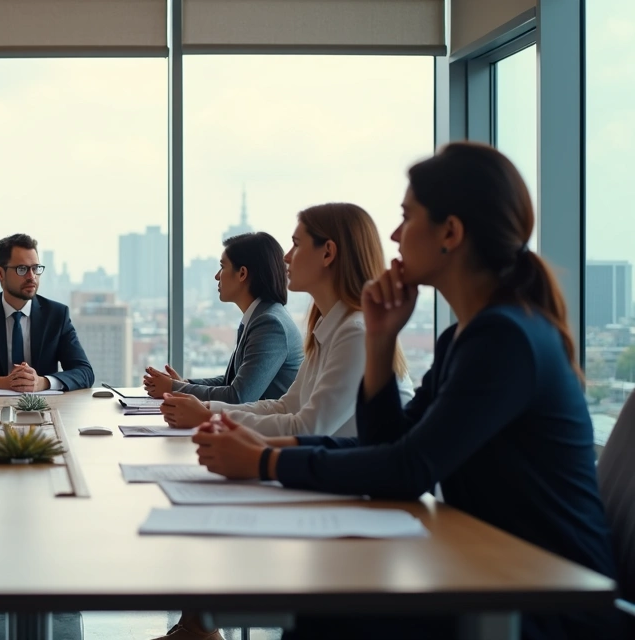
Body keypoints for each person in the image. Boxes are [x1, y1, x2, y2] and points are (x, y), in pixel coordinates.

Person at [189, 143, 621, 640]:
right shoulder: (468, 335)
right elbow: (389, 444)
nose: (394, 235)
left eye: (407, 217)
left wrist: (266, 462)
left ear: (450, 233)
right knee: (324, 604)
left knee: (326, 611)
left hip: (546, 601)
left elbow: (408, 468)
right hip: (494, 571)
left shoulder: (505, 338)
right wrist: (381, 341)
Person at [159, 204, 414, 436]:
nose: (286, 257)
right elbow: (286, 407)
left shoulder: (355, 333)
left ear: (327, 254)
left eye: (296, 244)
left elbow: (306, 428)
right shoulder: (328, 329)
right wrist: (209, 409)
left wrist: (210, 416)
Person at [143, 232, 302, 403]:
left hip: (268, 429)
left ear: (242, 274)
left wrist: (174, 388)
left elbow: (238, 396)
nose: (217, 276)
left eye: (223, 267)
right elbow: (232, 381)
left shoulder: (270, 324)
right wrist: (182, 384)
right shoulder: (260, 316)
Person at [0, 233, 95, 391]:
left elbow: (85, 373)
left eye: (35, 268)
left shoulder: (56, 315)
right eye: (22, 269)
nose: (31, 277)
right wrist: (0, 382)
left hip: (46, 408)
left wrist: (42, 382)